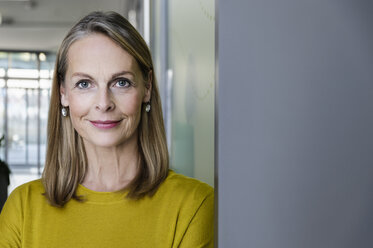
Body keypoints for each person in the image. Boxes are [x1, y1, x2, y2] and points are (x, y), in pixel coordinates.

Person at [0, 11, 214, 247]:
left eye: (121, 82)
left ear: (147, 88)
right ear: (63, 93)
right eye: (84, 84)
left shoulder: (194, 205)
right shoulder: (21, 209)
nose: (104, 103)